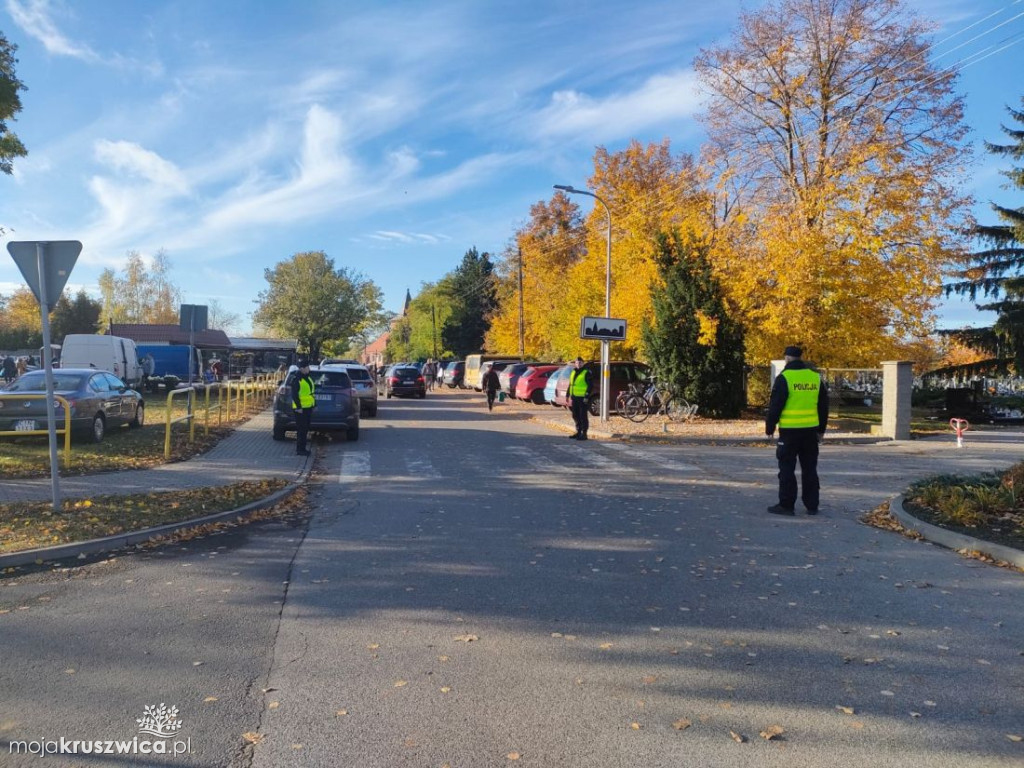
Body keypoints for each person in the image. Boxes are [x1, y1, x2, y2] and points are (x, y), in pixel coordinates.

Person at [765, 345, 829, 516]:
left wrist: (770, 427)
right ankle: (812, 505)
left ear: (786, 358)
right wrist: (821, 430)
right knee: (810, 469)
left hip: (789, 432)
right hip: (810, 432)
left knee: (787, 468)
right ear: (801, 358)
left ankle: (786, 505)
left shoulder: (784, 378)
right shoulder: (815, 378)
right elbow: (823, 406)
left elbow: (775, 405)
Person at [291, 358, 316, 456]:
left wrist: (314, 404)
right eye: (307, 367)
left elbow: (311, 393)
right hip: (300, 409)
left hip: (308, 407)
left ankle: (303, 448)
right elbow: (294, 395)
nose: (309, 369)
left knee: (305, 429)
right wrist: (298, 407)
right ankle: (300, 450)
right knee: (301, 430)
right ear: (302, 368)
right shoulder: (297, 379)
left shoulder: (307, 377)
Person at [567, 356, 594, 440]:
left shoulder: (586, 372)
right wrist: (567, 395)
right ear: (575, 364)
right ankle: (578, 431)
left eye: (580, 362)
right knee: (575, 415)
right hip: (574, 397)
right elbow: (571, 384)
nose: (578, 364)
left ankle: (584, 433)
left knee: (583, 416)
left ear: (583, 363)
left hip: (582, 398)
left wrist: (587, 396)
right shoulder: (573, 372)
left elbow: (590, 385)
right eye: (577, 363)